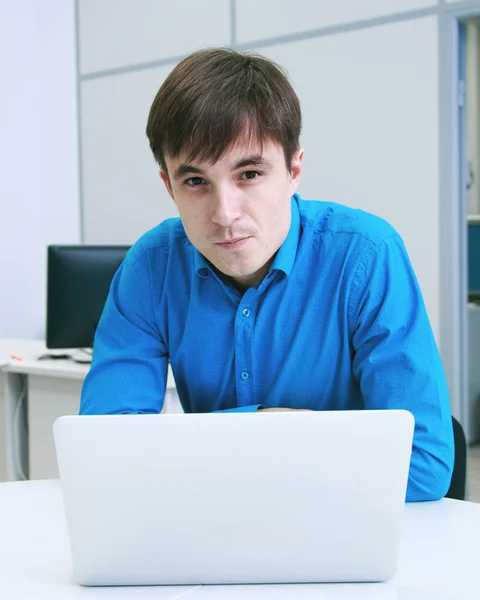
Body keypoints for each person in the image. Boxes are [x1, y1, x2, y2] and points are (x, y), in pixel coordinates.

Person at [80, 48, 454, 502]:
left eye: (250, 173)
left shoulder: (366, 255)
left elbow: (424, 464)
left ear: (294, 170)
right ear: (168, 186)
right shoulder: (150, 267)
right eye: (195, 182)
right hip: (216, 531)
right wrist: (274, 427)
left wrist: (215, 444)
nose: (224, 214)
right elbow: (105, 453)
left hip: (345, 529)